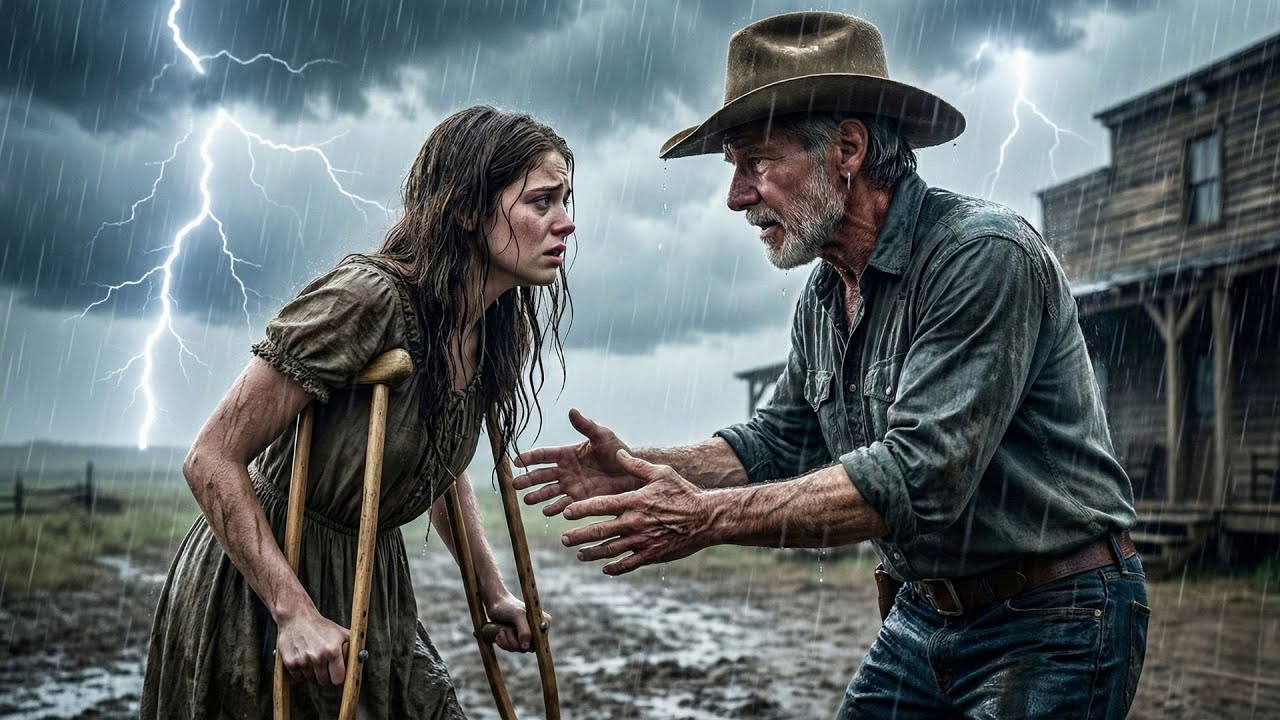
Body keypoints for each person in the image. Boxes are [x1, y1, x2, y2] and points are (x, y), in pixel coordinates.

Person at [514, 12, 1148, 719]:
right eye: (735, 170)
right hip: (925, 616)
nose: (736, 197)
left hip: (1055, 618)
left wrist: (706, 519)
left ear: (848, 147)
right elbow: (779, 442)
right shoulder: (824, 295)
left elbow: (920, 475)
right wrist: (639, 463)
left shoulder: (982, 256)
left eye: (756, 163)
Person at [142, 105, 576, 719]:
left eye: (565, 201)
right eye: (542, 202)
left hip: (374, 582)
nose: (566, 223)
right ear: (467, 211)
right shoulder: (366, 299)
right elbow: (210, 458)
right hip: (265, 583)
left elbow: (438, 470)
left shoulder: (490, 327)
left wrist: (491, 590)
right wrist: (293, 613)